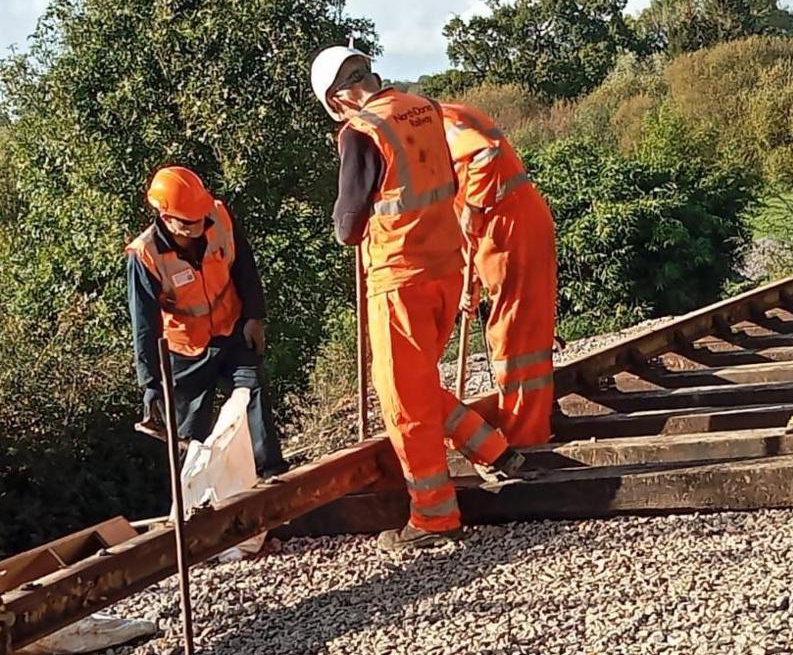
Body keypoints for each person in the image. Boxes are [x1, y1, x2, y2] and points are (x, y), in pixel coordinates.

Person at [309, 45, 528, 549]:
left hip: (399, 277)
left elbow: (347, 226)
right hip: (444, 268)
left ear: (336, 99)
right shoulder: (423, 108)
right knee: (417, 383)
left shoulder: (360, 132)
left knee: (403, 400)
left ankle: (432, 517)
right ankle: (492, 448)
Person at [127, 166, 287, 478]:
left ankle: (271, 474)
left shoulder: (220, 219)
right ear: (165, 216)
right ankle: (193, 502)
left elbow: (245, 267)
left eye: (201, 216)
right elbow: (144, 324)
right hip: (186, 351)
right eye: (188, 221)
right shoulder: (145, 255)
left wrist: (255, 316)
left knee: (252, 387)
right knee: (189, 437)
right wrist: (151, 383)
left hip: (231, 330)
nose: (199, 225)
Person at [441, 103, 557, 447]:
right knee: (519, 338)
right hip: (504, 229)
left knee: (515, 341)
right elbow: (463, 214)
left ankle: (526, 438)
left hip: (508, 228)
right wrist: (470, 282)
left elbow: (484, 155)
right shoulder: (443, 119)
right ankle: (528, 429)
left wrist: (475, 206)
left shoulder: (441, 126)